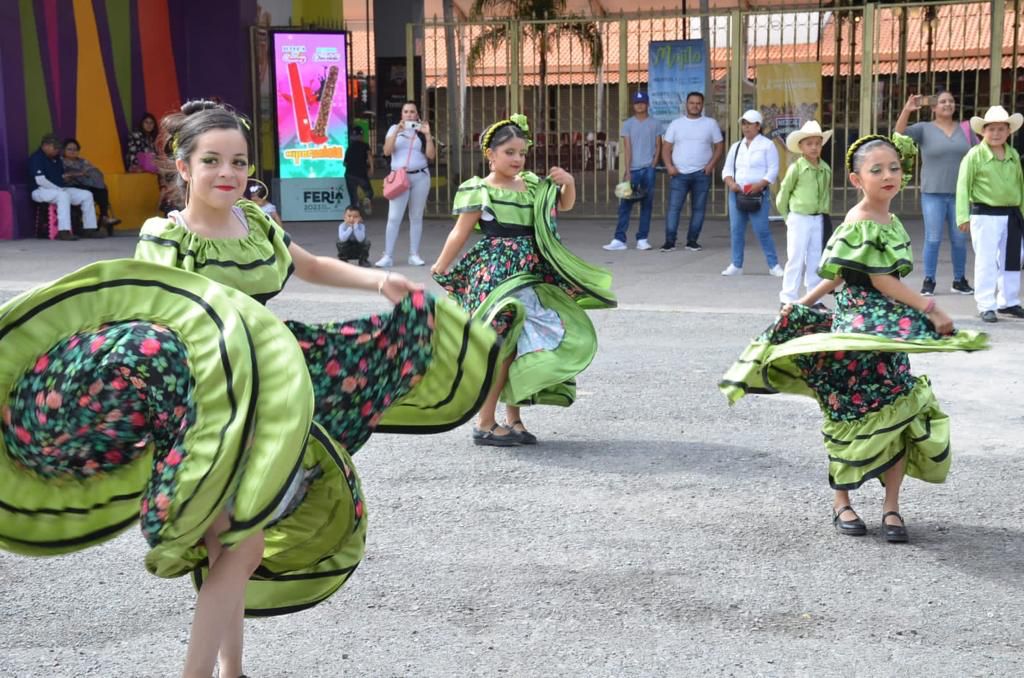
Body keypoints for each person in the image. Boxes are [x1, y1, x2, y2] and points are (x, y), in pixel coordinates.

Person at [130, 99, 497, 677]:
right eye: (211, 160)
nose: (227, 173)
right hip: (206, 405)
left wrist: (382, 280)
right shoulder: (164, 237)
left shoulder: (255, 224)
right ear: (183, 167)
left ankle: (231, 671)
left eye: (239, 161)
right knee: (239, 545)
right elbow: (151, 318)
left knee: (233, 546)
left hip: (272, 393)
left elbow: (312, 266)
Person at [720, 133, 987, 543]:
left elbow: (841, 274)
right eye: (876, 169)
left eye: (894, 168)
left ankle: (892, 508)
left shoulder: (892, 221)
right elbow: (878, 280)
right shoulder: (858, 220)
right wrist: (930, 308)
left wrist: (802, 300)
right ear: (856, 178)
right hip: (858, 332)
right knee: (848, 414)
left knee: (900, 413)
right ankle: (841, 501)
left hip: (888, 335)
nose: (887, 175)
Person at [431, 114, 616, 447]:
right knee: (501, 346)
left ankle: (513, 418)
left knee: (521, 345)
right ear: (491, 155)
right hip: (496, 276)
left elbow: (563, 204)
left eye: (522, 152)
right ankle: (484, 423)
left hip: (529, 273)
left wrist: (569, 183)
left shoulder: (531, 185)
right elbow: (459, 232)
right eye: (509, 152)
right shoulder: (480, 191)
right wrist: (441, 266)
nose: (517, 159)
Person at [895, 91, 975, 296]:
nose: (947, 104)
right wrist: (907, 110)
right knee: (933, 238)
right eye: (942, 101)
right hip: (932, 193)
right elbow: (899, 134)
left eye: (951, 100)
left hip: (960, 194)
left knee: (959, 239)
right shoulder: (924, 129)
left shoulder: (966, 129)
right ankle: (929, 280)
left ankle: (959, 280)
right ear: (933, 107)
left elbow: (978, 155)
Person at [955, 105, 1024, 323]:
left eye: (1001, 129)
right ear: (983, 131)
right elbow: (963, 186)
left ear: (1008, 131)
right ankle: (986, 304)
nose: (996, 134)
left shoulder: (1012, 154)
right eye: (991, 129)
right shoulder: (975, 155)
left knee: (1012, 259)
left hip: (1011, 214)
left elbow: (1019, 185)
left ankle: (1009, 301)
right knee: (986, 260)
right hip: (985, 214)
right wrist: (962, 215)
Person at [777, 121, 832, 305]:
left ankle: (813, 298)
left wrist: (824, 215)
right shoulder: (797, 168)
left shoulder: (825, 169)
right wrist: (787, 217)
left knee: (815, 257)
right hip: (799, 217)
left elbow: (824, 194)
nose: (814, 147)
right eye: (809, 144)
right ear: (800, 147)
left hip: (817, 218)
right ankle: (788, 297)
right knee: (795, 257)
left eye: (817, 143)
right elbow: (783, 194)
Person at [660, 91, 724, 252]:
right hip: (679, 174)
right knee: (674, 209)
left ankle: (692, 241)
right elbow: (666, 148)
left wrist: (710, 166)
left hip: (701, 173)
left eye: (698, 103)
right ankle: (669, 241)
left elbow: (719, 146)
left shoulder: (710, 124)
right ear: (686, 105)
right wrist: (669, 166)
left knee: (699, 209)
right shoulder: (676, 124)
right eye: (692, 103)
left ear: (702, 105)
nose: (695, 106)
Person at [721, 110, 782, 277]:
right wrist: (731, 183)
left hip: (758, 193)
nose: (746, 127)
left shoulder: (767, 145)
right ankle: (736, 264)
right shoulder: (736, 146)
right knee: (736, 229)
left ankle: (773, 265)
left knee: (761, 229)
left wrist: (760, 184)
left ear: (758, 126)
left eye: (750, 124)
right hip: (737, 193)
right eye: (744, 124)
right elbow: (727, 169)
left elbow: (773, 170)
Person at [377, 101, 435, 268]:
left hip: (420, 177)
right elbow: (387, 152)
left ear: (417, 114)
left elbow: (431, 156)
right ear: (401, 114)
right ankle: (387, 255)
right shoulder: (394, 129)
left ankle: (414, 254)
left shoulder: (422, 131)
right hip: (399, 178)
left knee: (416, 216)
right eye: (406, 112)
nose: (409, 115)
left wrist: (428, 135)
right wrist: (397, 131)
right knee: (394, 217)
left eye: (412, 112)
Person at [603, 90, 662, 251]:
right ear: (633, 105)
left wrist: (653, 163)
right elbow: (627, 148)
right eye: (637, 103)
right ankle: (619, 239)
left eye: (642, 102)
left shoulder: (655, 123)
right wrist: (627, 170)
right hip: (633, 170)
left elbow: (658, 145)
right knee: (625, 205)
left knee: (647, 204)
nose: (640, 105)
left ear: (647, 104)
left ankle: (642, 238)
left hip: (648, 169)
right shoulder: (628, 124)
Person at [28, 133, 104, 240]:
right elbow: (40, 180)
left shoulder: (56, 158)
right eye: (55, 148)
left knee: (86, 195)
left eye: (58, 149)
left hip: (59, 189)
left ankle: (89, 229)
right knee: (63, 196)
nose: (57, 151)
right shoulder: (37, 158)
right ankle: (63, 231)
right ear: (45, 146)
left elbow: (60, 176)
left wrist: (68, 178)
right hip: (40, 190)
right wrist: (59, 189)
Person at [62, 138, 121, 232]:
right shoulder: (60, 162)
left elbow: (93, 171)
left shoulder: (82, 161)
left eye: (75, 149)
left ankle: (104, 216)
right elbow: (63, 176)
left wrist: (98, 182)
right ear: (63, 150)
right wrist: (79, 174)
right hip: (70, 186)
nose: (73, 151)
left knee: (102, 189)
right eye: (69, 149)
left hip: (85, 184)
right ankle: (102, 219)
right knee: (92, 189)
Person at [345, 125, 375, 215]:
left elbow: (344, 163)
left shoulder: (349, 147)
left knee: (353, 196)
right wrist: (371, 169)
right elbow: (370, 157)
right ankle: (367, 199)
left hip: (349, 174)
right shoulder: (365, 145)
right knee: (369, 192)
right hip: (361, 173)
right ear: (361, 136)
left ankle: (355, 214)